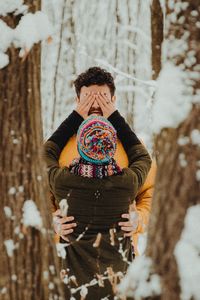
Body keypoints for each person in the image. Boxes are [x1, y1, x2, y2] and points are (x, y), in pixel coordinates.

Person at [43, 114, 152, 299]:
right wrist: (116, 118)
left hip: (74, 287)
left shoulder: (63, 182)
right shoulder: (128, 183)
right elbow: (142, 157)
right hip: (118, 283)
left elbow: (45, 154)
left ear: (80, 147)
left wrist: (75, 117)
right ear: (113, 148)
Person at [50, 67, 156, 255]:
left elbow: (151, 193)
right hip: (68, 259)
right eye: (88, 98)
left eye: (102, 98)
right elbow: (38, 191)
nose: (95, 105)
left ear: (113, 100)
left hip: (121, 260)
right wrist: (50, 220)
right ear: (77, 101)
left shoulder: (132, 145)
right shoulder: (60, 145)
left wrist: (139, 219)